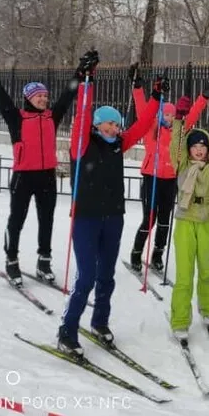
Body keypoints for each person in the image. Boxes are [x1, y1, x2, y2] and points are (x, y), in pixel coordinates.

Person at [57, 71, 165, 357]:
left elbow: (142, 126)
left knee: (107, 275)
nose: (115, 128)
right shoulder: (82, 144)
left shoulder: (118, 144)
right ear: (97, 124)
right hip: (86, 218)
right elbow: (81, 115)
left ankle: (100, 321)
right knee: (86, 278)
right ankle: (67, 331)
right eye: (109, 123)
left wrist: (154, 97)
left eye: (117, 124)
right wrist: (86, 82)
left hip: (114, 217)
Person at [0, 38, 88, 285]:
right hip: (23, 176)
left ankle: (44, 261)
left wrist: (81, 70)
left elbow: (68, 93)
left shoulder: (52, 117)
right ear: (29, 98)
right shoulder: (17, 118)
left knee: (47, 220)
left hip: (47, 175)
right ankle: (11, 260)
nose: (44, 99)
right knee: (17, 219)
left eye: (45, 95)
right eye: (39, 96)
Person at [130, 76, 209, 274]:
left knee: (165, 219)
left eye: (171, 115)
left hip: (170, 179)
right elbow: (142, 108)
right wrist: (137, 87)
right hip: (152, 177)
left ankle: (158, 253)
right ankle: (136, 252)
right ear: (159, 115)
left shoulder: (180, 130)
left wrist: (204, 97)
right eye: (165, 114)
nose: (168, 118)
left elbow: (192, 114)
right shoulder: (150, 128)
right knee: (150, 218)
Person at [168, 97, 209, 340]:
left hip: (207, 222)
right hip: (186, 221)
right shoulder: (182, 163)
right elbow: (175, 145)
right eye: (194, 145)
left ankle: (208, 309)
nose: (199, 149)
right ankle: (180, 320)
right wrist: (178, 121)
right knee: (184, 274)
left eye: (203, 145)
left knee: (208, 270)